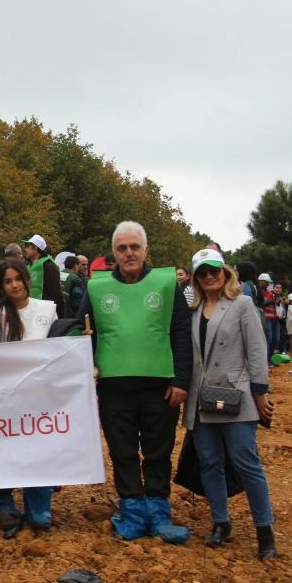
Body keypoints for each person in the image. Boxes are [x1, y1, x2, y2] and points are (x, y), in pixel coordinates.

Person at [81, 221, 192, 544]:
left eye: (134, 247)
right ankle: (132, 511)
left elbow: (182, 334)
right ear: (113, 253)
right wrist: (85, 353)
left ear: (146, 250)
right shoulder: (96, 288)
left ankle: (159, 512)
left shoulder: (167, 284)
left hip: (160, 386)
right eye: (122, 248)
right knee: (122, 451)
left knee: (158, 450)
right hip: (113, 388)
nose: (129, 253)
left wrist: (182, 379)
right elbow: (82, 330)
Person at [183, 249, 277, 560]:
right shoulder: (191, 309)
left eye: (214, 270)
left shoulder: (242, 304)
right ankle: (220, 521)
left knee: (246, 462)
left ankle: (265, 530)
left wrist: (260, 394)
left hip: (236, 396)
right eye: (203, 272)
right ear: (196, 277)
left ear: (225, 272)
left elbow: (256, 351)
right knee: (209, 462)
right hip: (201, 397)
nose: (209, 276)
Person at [0, 258, 60, 538]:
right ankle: (3, 504)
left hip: (39, 396)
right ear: (1, 285)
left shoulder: (47, 309)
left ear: (27, 279)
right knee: (5, 451)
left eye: (18, 279)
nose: (14, 285)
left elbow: (60, 343)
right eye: (7, 281)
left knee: (38, 450)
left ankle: (38, 507)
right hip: (6, 395)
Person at [21, 234, 64, 316]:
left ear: (35, 248)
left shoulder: (49, 267)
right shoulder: (28, 267)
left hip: (45, 315)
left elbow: (57, 296)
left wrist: (59, 321)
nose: (25, 249)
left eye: (27, 246)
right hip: (30, 313)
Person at [259, 274, 281, 367]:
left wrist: (277, 301)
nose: (268, 284)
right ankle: (265, 360)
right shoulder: (259, 292)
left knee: (276, 339)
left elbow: (274, 304)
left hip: (275, 318)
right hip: (266, 318)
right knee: (268, 339)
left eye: (268, 282)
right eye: (266, 282)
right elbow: (260, 304)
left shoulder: (270, 293)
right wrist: (269, 301)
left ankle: (270, 358)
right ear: (261, 281)